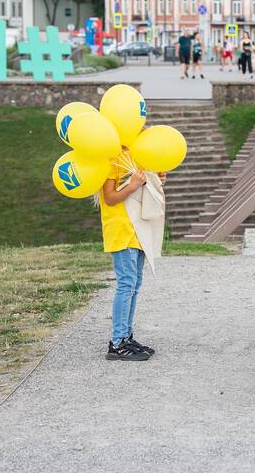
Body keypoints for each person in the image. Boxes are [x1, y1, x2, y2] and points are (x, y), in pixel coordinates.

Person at [99, 153, 165, 361]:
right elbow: (109, 198)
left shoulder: (136, 157)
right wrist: (133, 185)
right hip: (121, 230)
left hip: (138, 229)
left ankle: (126, 336)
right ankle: (117, 343)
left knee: (134, 284)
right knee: (126, 284)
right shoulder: (111, 159)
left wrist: (156, 180)